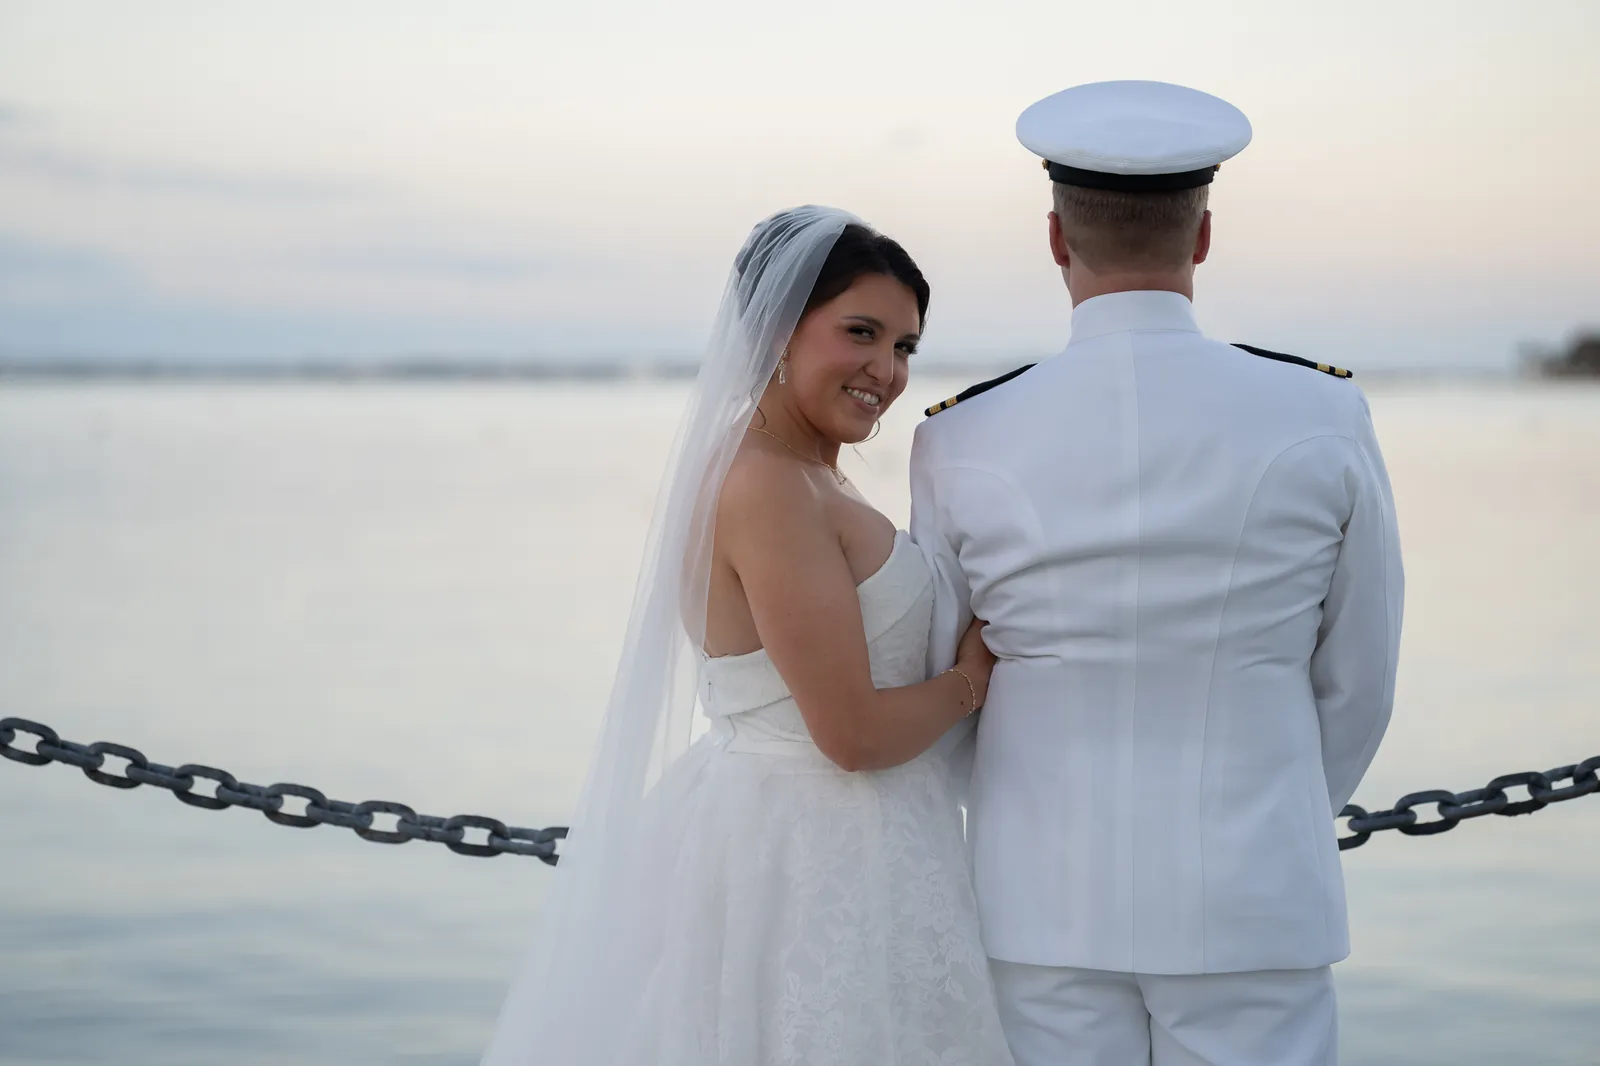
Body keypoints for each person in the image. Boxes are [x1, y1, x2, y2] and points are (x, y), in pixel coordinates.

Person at [912, 80, 1405, 1066]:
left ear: (1054, 236)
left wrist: (1014, 807)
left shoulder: (960, 435)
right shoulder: (1319, 414)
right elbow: (1358, 677)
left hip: (1037, 892)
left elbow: (947, 680)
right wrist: (1276, 809)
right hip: (1255, 893)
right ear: (1205, 234)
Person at [480, 207, 1014, 1065]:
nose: (886, 369)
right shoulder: (767, 487)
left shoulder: (800, 474)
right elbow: (850, 735)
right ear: (777, 329)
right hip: (811, 856)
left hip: (848, 843)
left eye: (905, 346)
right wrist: (973, 677)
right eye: (861, 334)